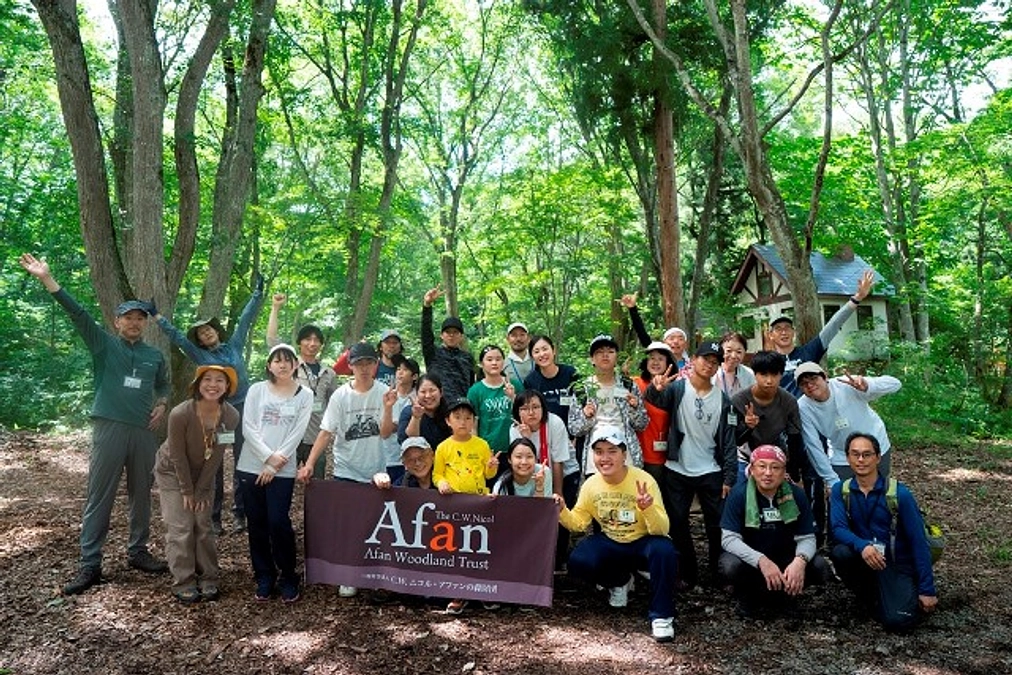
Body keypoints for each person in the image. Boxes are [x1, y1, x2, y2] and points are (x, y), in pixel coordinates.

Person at [19, 253, 171, 595]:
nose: (133, 322)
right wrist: (48, 279)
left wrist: (162, 404)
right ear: (116, 322)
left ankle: (138, 552)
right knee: (99, 495)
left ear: (145, 323)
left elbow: (164, 384)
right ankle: (90, 563)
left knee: (141, 494)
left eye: (139, 318)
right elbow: (78, 314)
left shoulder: (154, 356)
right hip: (110, 428)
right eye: (127, 318)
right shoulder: (104, 345)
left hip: (144, 432)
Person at [153, 274, 266, 535]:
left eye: (209, 329)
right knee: (212, 462)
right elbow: (178, 338)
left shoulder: (234, 346)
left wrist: (257, 294)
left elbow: (246, 321)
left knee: (242, 461)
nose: (207, 334)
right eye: (202, 333)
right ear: (201, 340)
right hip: (214, 414)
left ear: (216, 331)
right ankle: (214, 517)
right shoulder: (199, 354)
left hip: (242, 411)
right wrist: (158, 316)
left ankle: (240, 514)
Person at [556, 425, 677, 643]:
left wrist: (647, 508)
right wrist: (562, 511)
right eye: (599, 451)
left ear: (624, 454)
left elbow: (661, 530)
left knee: (665, 550)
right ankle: (619, 580)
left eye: (612, 451)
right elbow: (579, 524)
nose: (605, 458)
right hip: (611, 540)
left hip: (643, 541)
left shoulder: (644, 480)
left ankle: (662, 615)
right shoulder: (591, 484)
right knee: (578, 561)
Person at [299, 341, 395, 598]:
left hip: (376, 469)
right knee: (348, 523)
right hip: (346, 468)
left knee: (375, 524)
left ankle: (374, 573)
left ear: (376, 365)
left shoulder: (385, 392)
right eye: (358, 364)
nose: (364, 368)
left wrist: (387, 408)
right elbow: (326, 432)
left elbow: (385, 433)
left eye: (368, 363)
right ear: (350, 366)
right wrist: (309, 464)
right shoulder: (341, 395)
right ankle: (348, 575)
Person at [643, 339, 737, 590]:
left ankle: (719, 573)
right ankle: (688, 573)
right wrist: (656, 388)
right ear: (693, 359)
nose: (709, 364)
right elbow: (654, 400)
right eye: (705, 359)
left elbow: (729, 440)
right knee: (677, 522)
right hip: (678, 467)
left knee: (716, 524)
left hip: (712, 470)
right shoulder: (678, 389)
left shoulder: (724, 400)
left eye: (715, 362)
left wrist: (729, 477)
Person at [829, 433, 937, 632]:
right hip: (866, 559)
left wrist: (927, 589)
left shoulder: (899, 494)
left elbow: (918, 542)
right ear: (847, 458)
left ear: (878, 458)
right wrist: (863, 546)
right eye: (855, 454)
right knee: (840, 553)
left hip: (897, 563)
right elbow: (838, 529)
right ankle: (871, 598)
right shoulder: (840, 490)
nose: (861, 460)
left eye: (867, 454)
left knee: (899, 623)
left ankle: (899, 595)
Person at [154, 365, 240, 603]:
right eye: (208, 380)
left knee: (203, 523)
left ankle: (209, 576)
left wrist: (201, 489)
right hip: (172, 472)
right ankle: (184, 580)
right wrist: (186, 490)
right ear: (198, 384)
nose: (213, 385)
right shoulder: (180, 413)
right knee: (181, 525)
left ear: (227, 387)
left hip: (204, 472)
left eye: (220, 381)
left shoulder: (231, 415)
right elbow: (177, 456)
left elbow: (218, 456)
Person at [237, 343, 313, 603]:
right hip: (250, 465)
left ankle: (288, 575)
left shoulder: (304, 394)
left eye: (287, 360)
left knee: (278, 521)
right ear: (269, 365)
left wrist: (274, 465)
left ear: (295, 365)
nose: (282, 364)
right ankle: (264, 575)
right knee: (256, 523)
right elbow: (248, 427)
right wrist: (266, 459)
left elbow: (297, 433)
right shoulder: (257, 390)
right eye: (277, 360)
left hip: (282, 469)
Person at [718, 445, 830, 618]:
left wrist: (799, 561)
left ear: (783, 471)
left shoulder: (796, 495)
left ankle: (788, 594)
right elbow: (729, 539)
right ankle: (748, 597)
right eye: (762, 466)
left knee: (819, 566)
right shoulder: (739, 495)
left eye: (775, 467)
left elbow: (807, 537)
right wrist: (761, 560)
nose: (768, 473)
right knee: (729, 565)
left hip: (786, 558)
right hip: (752, 561)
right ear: (752, 469)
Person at [433, 397, 499, 614]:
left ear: (474, 421)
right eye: (458, 417)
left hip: (479, 504)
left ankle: (483, 592)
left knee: (480, 549)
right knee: (457, 549)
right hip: (453, 506)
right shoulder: (443, 447)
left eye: (468, 418)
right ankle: (458, 594)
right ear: (448, 421)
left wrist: (491, 466)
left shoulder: (481, 445)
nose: (463, 422)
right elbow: (437, 473)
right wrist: (441, 482)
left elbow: (489, 475)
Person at [266, 293, 339, 481]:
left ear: (321, 344)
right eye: (307, 339)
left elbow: (332, 404)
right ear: (299, 342)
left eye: (316, 340)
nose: (312, 343)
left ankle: (315, 512)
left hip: (315, 438)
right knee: (282, 483)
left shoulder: (328, 373)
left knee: (317, 486)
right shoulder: (289, 365)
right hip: (288, 435)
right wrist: (275, 308)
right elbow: (272, 340)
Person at [767, 269, 875, 397]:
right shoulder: (767, 361)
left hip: (811, 412)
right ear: (771, 335)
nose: (783, 332)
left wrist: (857, 298)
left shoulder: (809, 351)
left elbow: (833, 325)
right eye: (778, 329)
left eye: (787, 328)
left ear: (793, 332)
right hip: (782, 414)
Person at [796, 362, 901, 487]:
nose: (810, 385)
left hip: (876, 445)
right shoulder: (803, 407)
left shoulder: (846, 384)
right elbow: (813, 445)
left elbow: (895, 384)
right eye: (804, 383)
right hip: (842, 455)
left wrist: (868, 386)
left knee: (881, 490)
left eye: (814, 379)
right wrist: (831, 480)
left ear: (825, 377)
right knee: (846, 497)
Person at [510, 389, 581, 568]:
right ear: (517, 412)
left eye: (535, 407)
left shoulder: (554, 423)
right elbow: (523, 458)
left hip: (564, 471)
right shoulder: (515, 428)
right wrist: (525, 438)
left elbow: (558, 461)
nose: (531, 413)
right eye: (525, 408)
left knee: (559, 510)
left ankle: (559, 559)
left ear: (543, 408)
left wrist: (558, 492)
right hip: (534, 473)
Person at [568, 334, 648, 474]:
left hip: (626, 455)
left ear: (616, 357)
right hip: (595, 460)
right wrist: (586, 416)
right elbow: (574, 429)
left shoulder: (628, 385)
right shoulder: (583, 388)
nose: (605, 356)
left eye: (610, 352)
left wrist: (635, 408)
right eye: (599, 352)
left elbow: (642, 424)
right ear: (592, 359)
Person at [730, 351, 805, 485]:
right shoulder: (739, 401)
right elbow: (733, 440)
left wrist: (793, 470)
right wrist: (747, 426)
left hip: (776, 454)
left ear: (781, 375)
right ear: (755, 374)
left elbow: (795, 438)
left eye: (774, 374)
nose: (769, 381)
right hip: (745, 456)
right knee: (739, 491)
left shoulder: (789, 402)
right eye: (764, 375)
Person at [468, 345, 522, 469]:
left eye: (498, 359)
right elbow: (473, 425)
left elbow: (525, 414)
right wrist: (476, 450)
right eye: (489, 359)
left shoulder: (515, 385)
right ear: (482, 364)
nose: (494, 363)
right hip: (488, 450)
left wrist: (513, 397)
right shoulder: (475, 391)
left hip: (514, 449)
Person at [632, 341, 677, 484]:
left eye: (660, 359)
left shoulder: (674, 389)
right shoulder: (634, 383)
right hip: (634, 451)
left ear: (668, 363)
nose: (655, 362)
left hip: (659, 454)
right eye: (652, 358)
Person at [420, 285, 475, 401]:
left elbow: (472, 385)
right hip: (438, 407)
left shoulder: (467, 358)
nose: (451, 335)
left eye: (455, 332)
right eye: (448, 332)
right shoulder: (433, 353)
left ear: (461, 336)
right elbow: (426, 333)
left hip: (461, 410)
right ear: (441, 335)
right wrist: (427, 306)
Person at [621, 294, 691, 378]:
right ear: (664, 342)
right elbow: (642, 333)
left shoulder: (693, 367)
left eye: (680, 339)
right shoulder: (656, 365)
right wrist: (632, 309)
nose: (676, 342)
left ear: (686, 344)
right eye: (671, 338)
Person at [379, 356, 419, 484]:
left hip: (411, 459)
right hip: (387, 456)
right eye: (398, 369)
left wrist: (397, 426)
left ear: (414, 376)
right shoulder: (387, 396)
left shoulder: (418, 398)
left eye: (405, 369)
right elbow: (384, 431)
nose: (400, 372)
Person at [523, 334, 580, 423]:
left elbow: (581, 402)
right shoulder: (530, 381)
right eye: (536, 351)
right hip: (545, 432)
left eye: (545, 349)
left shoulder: (570, 373)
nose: (542, 354)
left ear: (554, 350)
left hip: (573, 431)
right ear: (532, 357)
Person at [397, 373, 451, 449]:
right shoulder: (408, 411)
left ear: (441, 392)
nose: (428, 396)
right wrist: (416, 418)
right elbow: (408, 443)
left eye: (432, 391)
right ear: (417, 393)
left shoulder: (450, 412)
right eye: (423, 392)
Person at [714, 331, 755, 398]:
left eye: (739, 352)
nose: (733, 356)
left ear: (744, 353)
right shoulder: (712, 372)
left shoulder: (749, 374)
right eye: (729, 351)